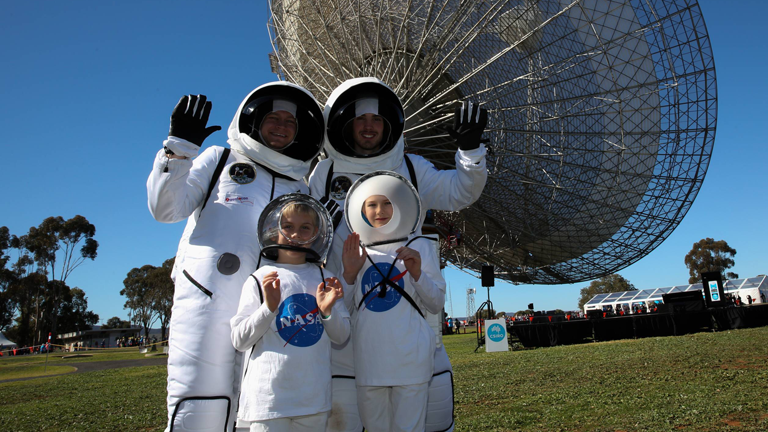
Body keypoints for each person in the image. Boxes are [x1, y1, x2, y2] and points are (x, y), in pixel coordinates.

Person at [308, 77, 487, 432]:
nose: (369, 126)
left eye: (377, 120)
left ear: (391, 125)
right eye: (360, 120)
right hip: (347, 322)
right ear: (344, 123)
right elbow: (301, 234)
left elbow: (458, 193)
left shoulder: (411, 167)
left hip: (407, 324)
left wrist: (470, 153)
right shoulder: (324, 173)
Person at [147, 82, 325, 432]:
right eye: (273, 117)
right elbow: (165, 209)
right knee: (198, 404)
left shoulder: (301, 186)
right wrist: (179, 150)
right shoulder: (220, 160)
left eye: (290, 122)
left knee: (256, 406)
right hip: (207, 299)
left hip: (268, 308)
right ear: (255, 120)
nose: (282, 126)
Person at [232, 194, 350, 431]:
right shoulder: (259, 279)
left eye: (305, 228)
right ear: (273, 230)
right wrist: (268, 308)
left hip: (314, 402)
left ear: (318, 233)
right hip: (268, 403)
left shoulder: (325, 279)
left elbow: (342, 336)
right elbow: (239, 340)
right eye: (288, 227)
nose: (295, 235)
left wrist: (327, 312)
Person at [341, 171, 446, 432]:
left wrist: (418, 273)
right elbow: (342, 309)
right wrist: (350, 274)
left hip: (411, 360)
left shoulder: (419, 246)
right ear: (361, 210)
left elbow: (436, 304)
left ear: (399, 204)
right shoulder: (356, 250)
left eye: (387, 202)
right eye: (372, 204)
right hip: (369, 360)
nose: (380, 210)